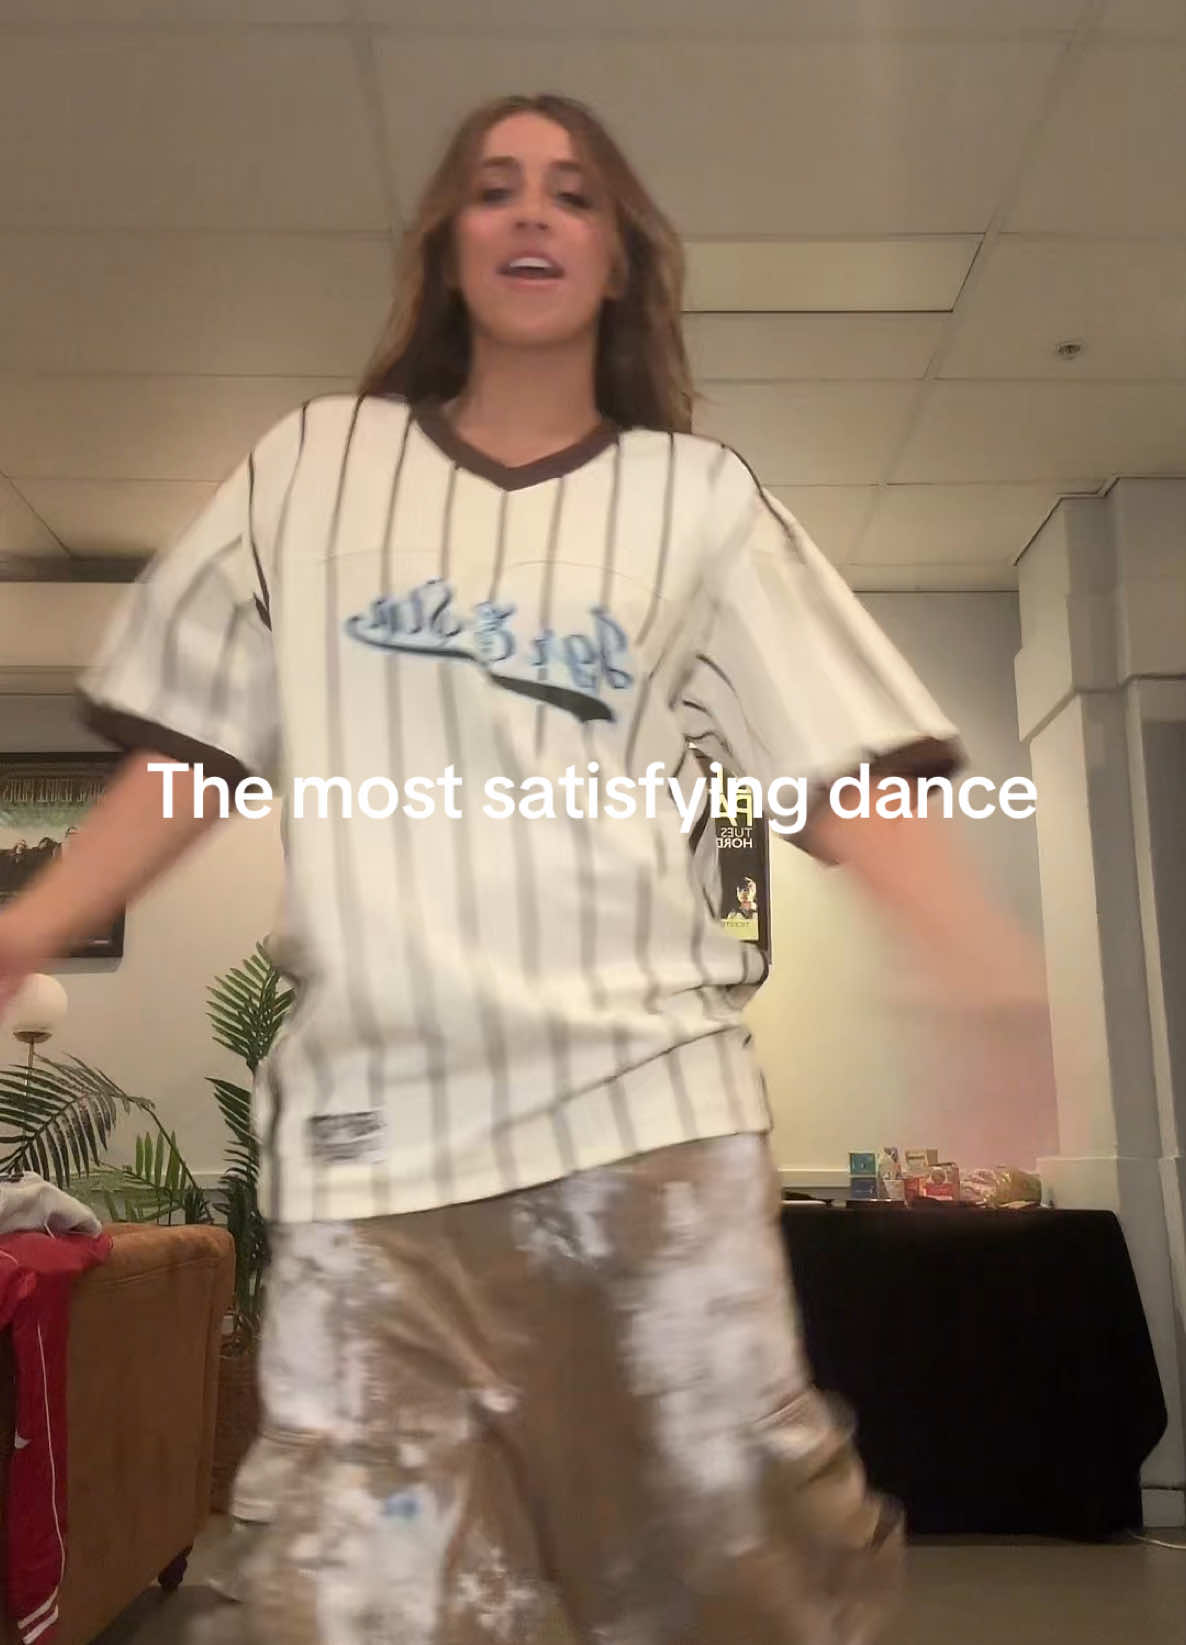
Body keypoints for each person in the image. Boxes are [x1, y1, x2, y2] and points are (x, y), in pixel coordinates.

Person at [0, 94, 1052, 1643]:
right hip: (378, 1154)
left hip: (643, 1129)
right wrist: (26, 923)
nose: (531, 212)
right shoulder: (310, 468)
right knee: (365, 1599)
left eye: (570, 191)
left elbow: (830, 760)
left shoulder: (695, 499)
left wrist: (975, 955)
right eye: (494, 188)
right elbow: (190, 749)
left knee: (731, 1581)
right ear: (448, 247)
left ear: (618, 256)